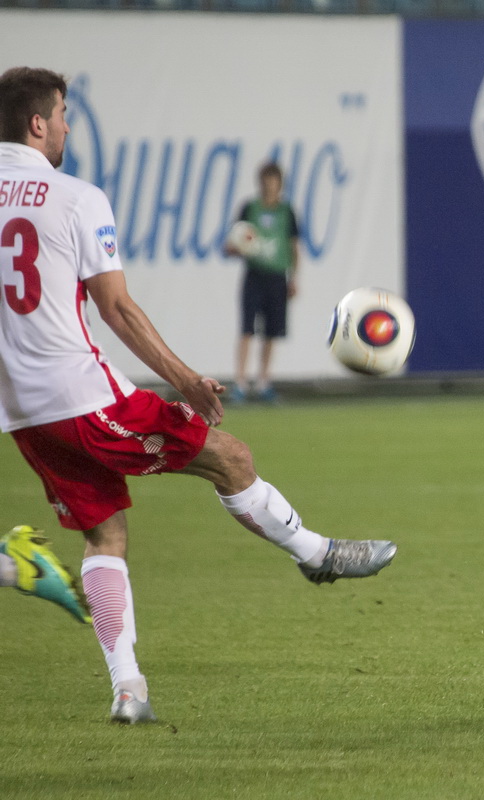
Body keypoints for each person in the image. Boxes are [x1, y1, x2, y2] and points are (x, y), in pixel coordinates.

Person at [0, 67, 396, 724]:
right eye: (63, 112)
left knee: (106, 536)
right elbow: (119, 310)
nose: (68, 124)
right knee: (231, 458)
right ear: (38, 123)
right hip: (81, 396)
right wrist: (184, 380)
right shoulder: (73, 197)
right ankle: (316, 554)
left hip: (22, 413)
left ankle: (129, 689)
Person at [224, 162, 300, 404]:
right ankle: (240, 382)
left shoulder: (287, 212)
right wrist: (236, 248)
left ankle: (264, 381)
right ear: (261, 183)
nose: (270, 186)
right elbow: (233, 241)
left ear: (280, 184)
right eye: (266, 181)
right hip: (254, 275)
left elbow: (293, 247)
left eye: (274, 181)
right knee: (247, 328)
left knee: (271, 331)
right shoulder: (249, 209)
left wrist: (294, 278)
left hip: (277, 277)